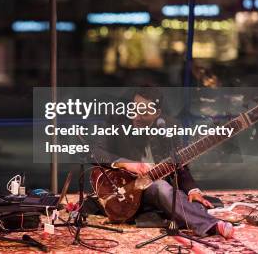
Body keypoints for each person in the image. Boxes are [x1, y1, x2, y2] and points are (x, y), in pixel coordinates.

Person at [94, 87, 234, 239]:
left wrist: (193, 190)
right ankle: (211, 225)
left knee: (171, 192)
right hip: (124, 188)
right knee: (164, 189)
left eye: (145, 113)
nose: (137, 116)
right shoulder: (116, 122)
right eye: (134, 109)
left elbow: (179, 163)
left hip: (156, 186)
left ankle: (201, 220)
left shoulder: (169, 126)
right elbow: (96, 153)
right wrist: (126, 164)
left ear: (157, 114)